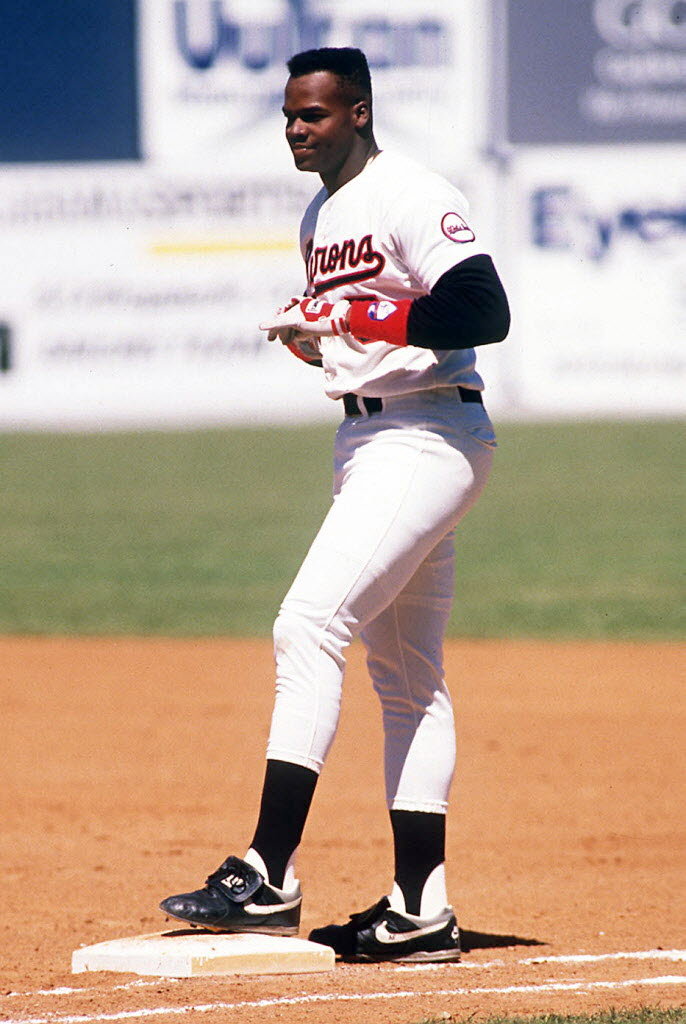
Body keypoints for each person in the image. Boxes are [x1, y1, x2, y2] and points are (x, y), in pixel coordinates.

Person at [160, 46, 509, 964]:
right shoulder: (320, 216)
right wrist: (317, 338)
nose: (295, 131)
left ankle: (268, 872)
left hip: (426, 437)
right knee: (408, 678)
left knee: (306, 624)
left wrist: (363, 322)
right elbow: (362, 333)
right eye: (286, 117)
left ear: (357, 111)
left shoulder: (408, 190)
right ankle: (421, 907)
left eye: (311, 115)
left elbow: (481, 306)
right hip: (368, 438)